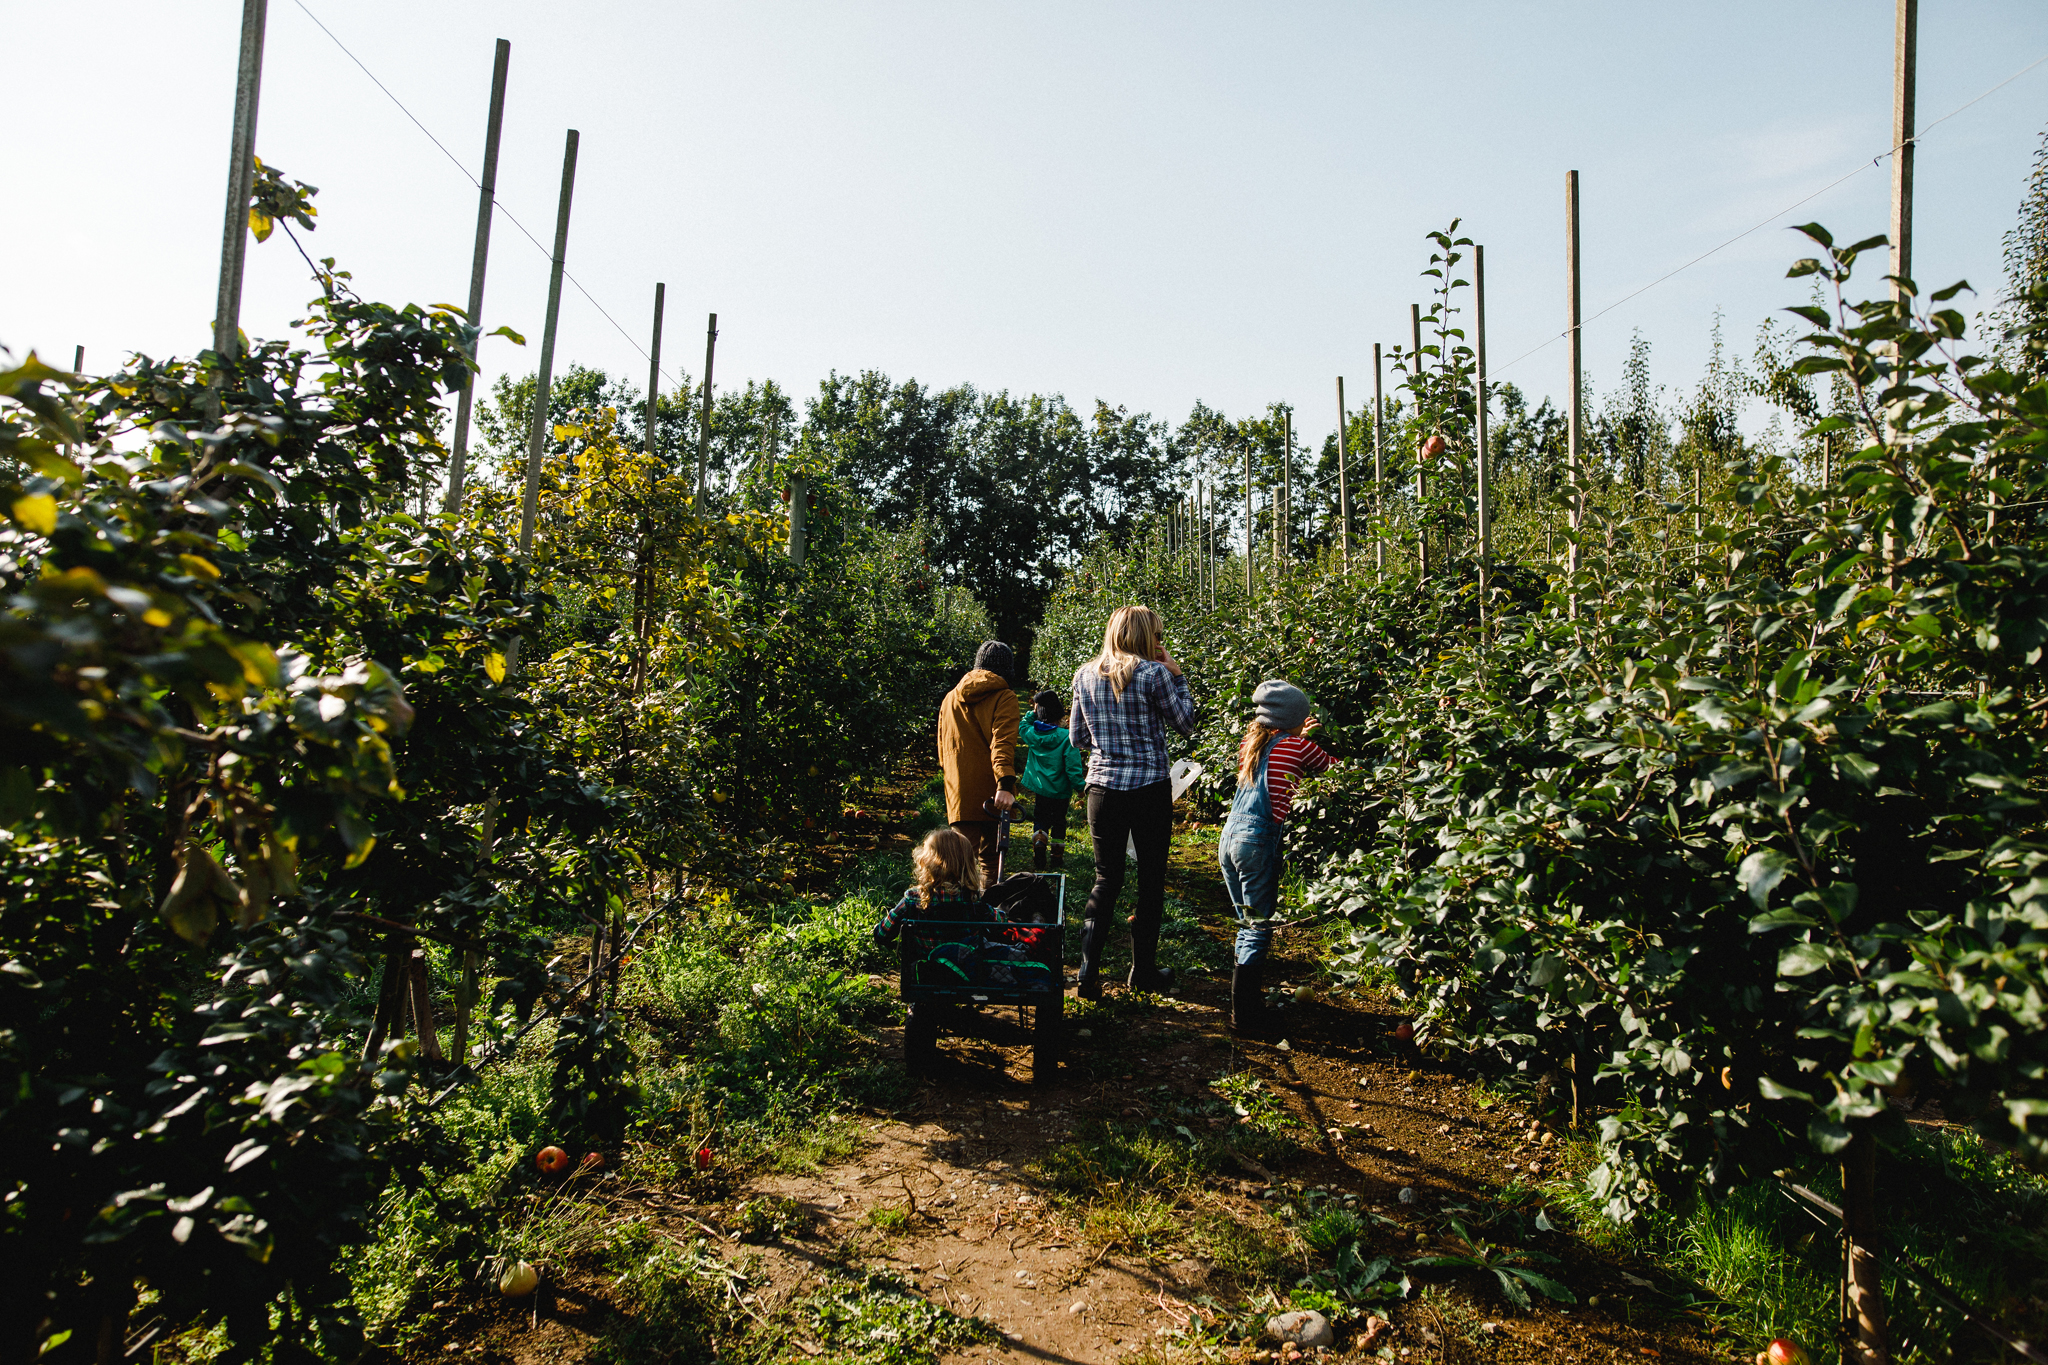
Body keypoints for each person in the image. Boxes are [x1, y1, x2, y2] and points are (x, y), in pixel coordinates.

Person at [1067, 605, 1195, 998]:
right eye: (1156, 636)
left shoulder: (1084, 674)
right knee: (1150, 881)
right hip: (1148, 790)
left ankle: (1087, 973)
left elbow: (1077, 739)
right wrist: (1179, 676)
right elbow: (1185, 723)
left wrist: (1110, 741)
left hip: (1102, 790)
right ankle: (1142, 971)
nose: (1160, 643)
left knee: (1106, 879)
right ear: (1144, 637)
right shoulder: (1155, 675)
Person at [1218, 680, 1334, 1035]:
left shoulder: (1250, 745)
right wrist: (1313, 740)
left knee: (1245, 923)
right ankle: (1247, 1018)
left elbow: (1285, 751)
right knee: (1258, 929)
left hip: (1229, 839)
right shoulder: (1299, 747)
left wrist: (1299, 734)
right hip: (1256, 842)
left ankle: (1244, 1007)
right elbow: (1335, 769)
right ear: (1295, 719)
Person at [938, 641, 1020, 885]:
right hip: (993, 791)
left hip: (959, 791)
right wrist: (1005, 783)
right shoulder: (1004, 697)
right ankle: (986, 912)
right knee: (992, 861)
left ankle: (951, 911)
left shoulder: (950, 699)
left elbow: (943, 747)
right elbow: (1002, 743)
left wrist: (952, 778)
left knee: (959, 861)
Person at [1018, 690, 1086, 870]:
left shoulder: (1032, 733)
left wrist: (1033, 712)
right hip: (1061, 791)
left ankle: (1039, 841)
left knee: (1040, 818)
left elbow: (1023, 726)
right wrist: (1080, 787)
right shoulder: (1066, 737)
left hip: (1041, 789)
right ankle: (1056, 855)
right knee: (1059, 821)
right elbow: (1072, 767)